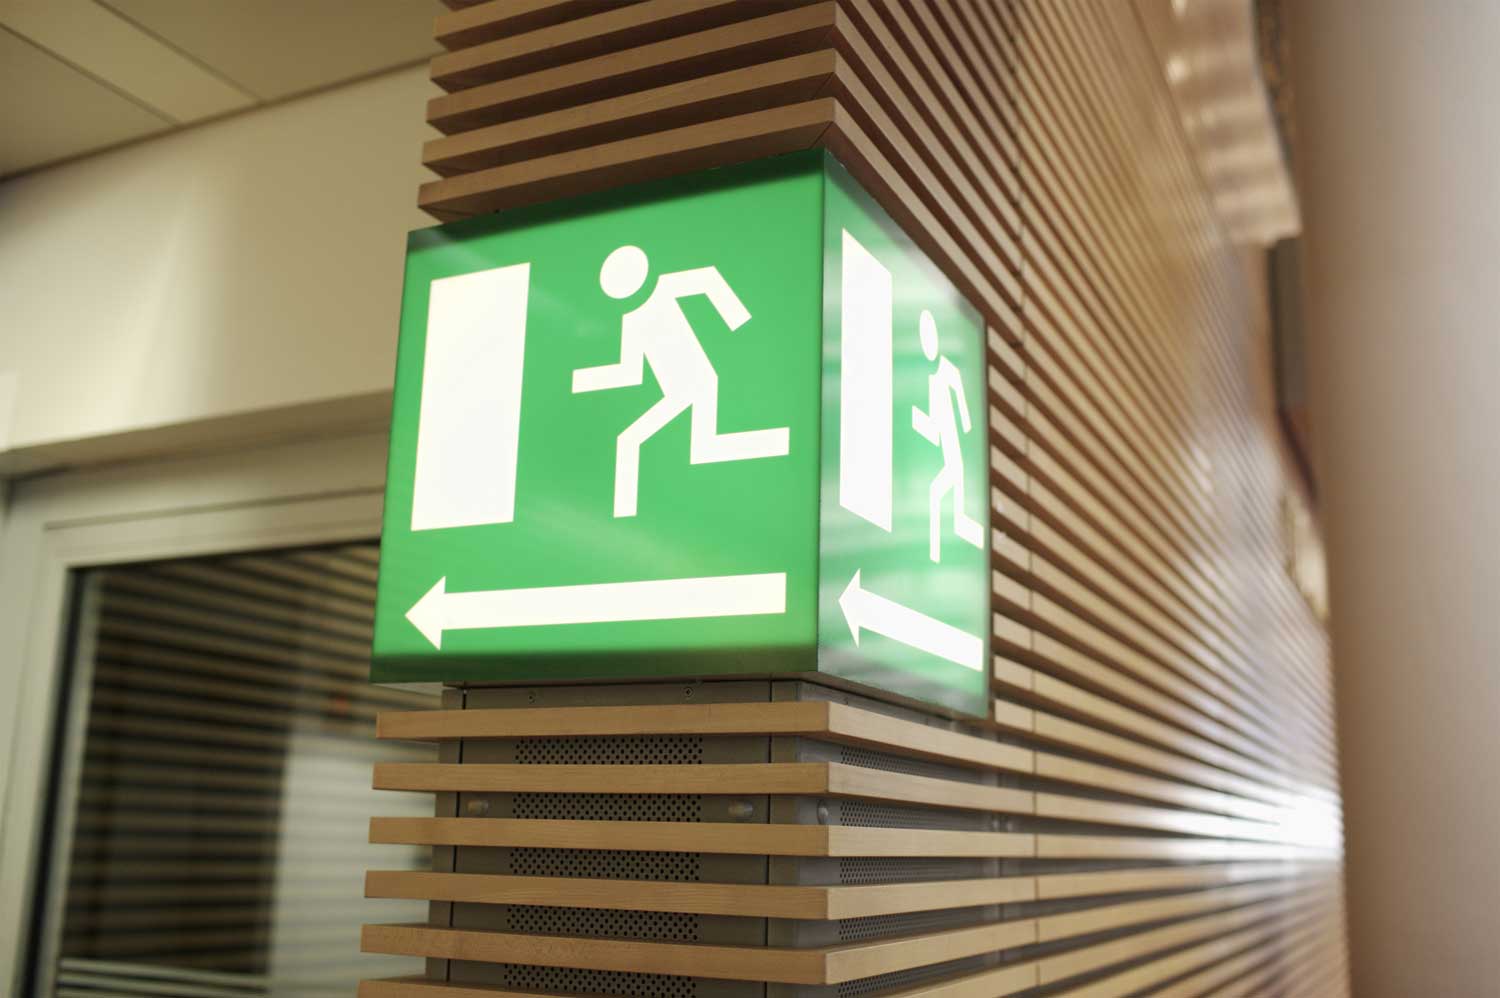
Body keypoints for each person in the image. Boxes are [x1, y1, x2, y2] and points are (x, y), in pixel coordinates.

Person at [573, 245, 790, 518]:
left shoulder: (666, 288)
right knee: (704, 444)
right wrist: (587, 378)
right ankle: (773, 441)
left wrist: (735, 316)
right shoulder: (633, 320)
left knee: (632, 440)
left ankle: (624, 514)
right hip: (682, 389)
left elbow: (707, 280)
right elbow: (630, 370)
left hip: (694, 384)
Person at [911, 309, 984, 562]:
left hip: (955, 456)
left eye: (929, 337)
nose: (927, 344)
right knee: (939, 496)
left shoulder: (949, 371)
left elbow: (964, 410)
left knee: (947, 499)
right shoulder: (931, 381)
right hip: (948, 455)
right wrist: (919, 421)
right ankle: (936, 552)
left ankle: (941, 550)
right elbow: (934, 430)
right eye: (924, 338)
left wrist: (965, 422)